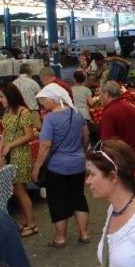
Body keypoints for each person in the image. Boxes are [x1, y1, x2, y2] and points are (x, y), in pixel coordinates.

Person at [33, 84, 90, 248]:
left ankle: (60, 238)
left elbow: (45, 146)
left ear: (53, 99)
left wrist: (36, 167)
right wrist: (83, 152)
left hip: (57, 167)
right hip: (78, 164)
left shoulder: (50, 118)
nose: (43, 104)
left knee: (58, 202)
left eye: (44, 100)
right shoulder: (77, 113)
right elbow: (85, 134)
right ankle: (84, 233)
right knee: (79, 198)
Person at [0, 85, 38, 237]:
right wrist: (0, 150)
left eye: (2, 96)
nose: (0, 100)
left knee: (19, 191)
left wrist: (10, 145)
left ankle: (32, 223)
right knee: (19, 190)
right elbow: (4, 132)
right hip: (9, 154)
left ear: (10, 96)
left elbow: (29, 136)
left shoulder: (24, 112)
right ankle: (26, 220)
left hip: (20, 155)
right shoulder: (8, 112)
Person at [98, 80, 135, 165]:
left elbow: (107, 142)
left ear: (106, 94)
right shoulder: (131, 107)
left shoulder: (108, 113)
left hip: (120, 161)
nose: (99, 97)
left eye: (100, 94)